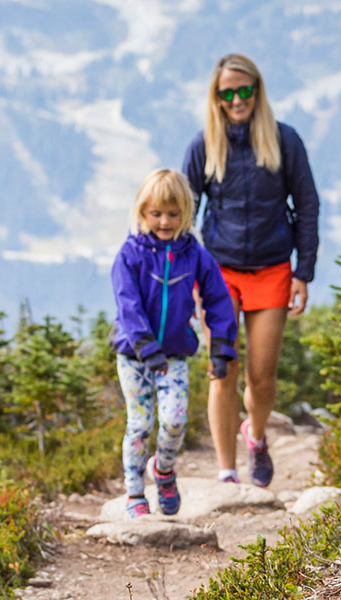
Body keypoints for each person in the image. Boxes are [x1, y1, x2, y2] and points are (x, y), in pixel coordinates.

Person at [182, 53, 320, 488]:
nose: (237, 99)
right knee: (222, 369)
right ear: (217, 97)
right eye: (228, 93)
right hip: (219, 274)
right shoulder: (204, 144)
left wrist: (304, 272)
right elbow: (183, 213)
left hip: (274, 269)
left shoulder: (284, 140)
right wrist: (187, 281)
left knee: (262, 377)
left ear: (257, 91)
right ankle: (226, 472)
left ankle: (255, 435)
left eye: (245, 90)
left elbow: (307, 206)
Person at [111, 169, 239, 518]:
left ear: (186, 213)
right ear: (142, 212)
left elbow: (218, 298)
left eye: (173, 213)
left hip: (175, 354)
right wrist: (146, 348)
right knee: (139, 425)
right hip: (134, 355)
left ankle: (163, 471)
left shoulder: (194, 254)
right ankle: (135, 494)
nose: (164, 221)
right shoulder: (130, 254)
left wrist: (222, 348)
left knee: (175, 421)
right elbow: (127, 305)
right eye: (156, 213)